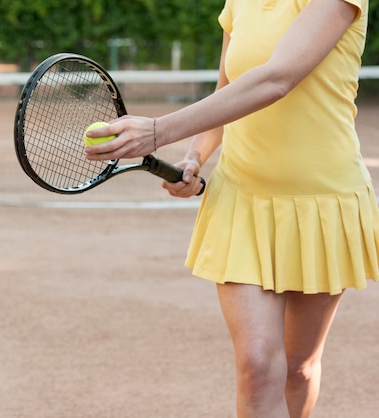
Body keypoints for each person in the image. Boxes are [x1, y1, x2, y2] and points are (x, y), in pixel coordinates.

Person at [84, 0, 375, 417]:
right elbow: (229, 91)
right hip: (242, 201)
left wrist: (158, 130)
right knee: (257, 368)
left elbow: (277, 78)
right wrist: (194, 156)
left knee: (299, 369)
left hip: (321, 205)